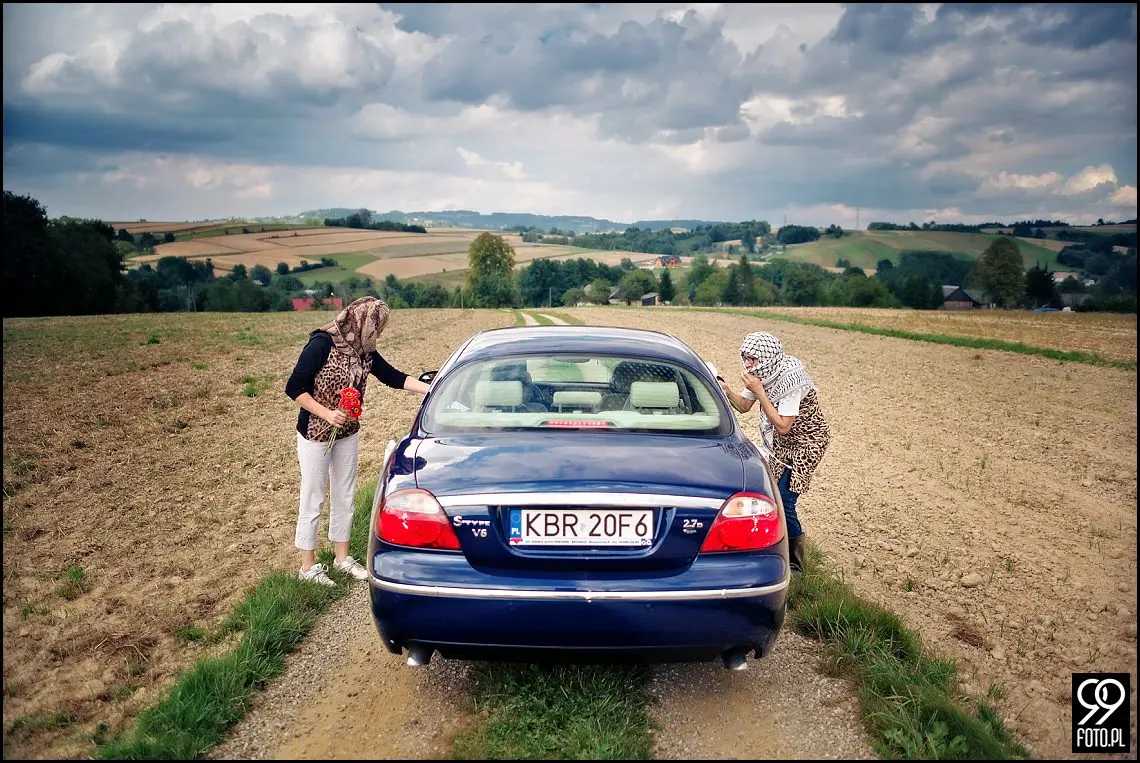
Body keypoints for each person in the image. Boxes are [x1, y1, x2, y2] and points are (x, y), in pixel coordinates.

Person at [284, 296, 431, 586]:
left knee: (344, 493)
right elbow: (294, 387)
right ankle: (308, 568)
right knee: (314, 496)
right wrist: (326, 413)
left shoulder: (365, 350)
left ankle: (341, 559)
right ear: (362, 321)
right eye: (377, 327)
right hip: (315, 431)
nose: (379, 334)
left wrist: (433, 388)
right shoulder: (322, 344)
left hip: (347, 432)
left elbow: (394, 377)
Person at [718, 331, 830, 573]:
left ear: (767, 357)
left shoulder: (790, 382)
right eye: (745, 357)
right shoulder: (763, 374)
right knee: (775, 497)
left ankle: (796, 564)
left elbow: (782, 425)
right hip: (785, 444)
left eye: (752, 359)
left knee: (785, 500)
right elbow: (745, 406)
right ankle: (777, 549)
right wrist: (726, 391)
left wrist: (759, 391)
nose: (747, 364)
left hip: (807, 443)